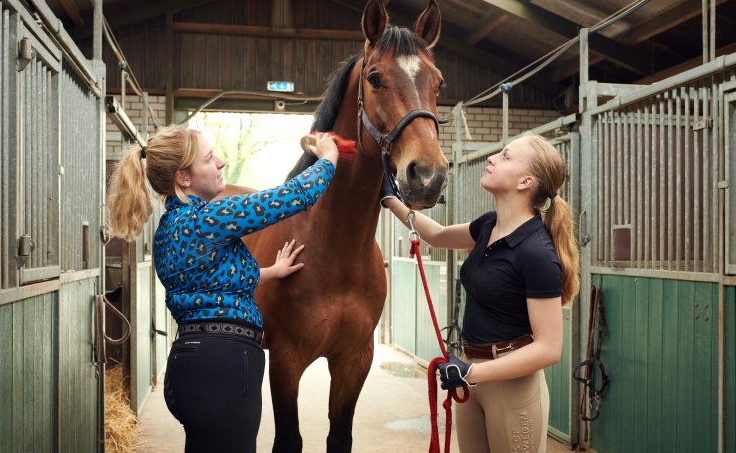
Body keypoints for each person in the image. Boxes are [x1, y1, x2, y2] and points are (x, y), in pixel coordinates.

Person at [106, 125, 339, 453]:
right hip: (225, 368)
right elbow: (295, 197)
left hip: (187, 366)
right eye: (209, 157)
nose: (221, 162)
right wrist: (329, 157)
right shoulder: (210, 219)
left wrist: (271, 271)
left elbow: (211, 283)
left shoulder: (167, 232)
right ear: (184, 178)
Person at [382, 133, 579, 453]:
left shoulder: (537, 252)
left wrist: (473, 372)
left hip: (510, 385)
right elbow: (437, 235)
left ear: (526, 181)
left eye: (505, 156)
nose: (492, 159)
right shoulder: (489, 225)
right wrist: (389, 197)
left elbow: (549, 348)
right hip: (470, 375)